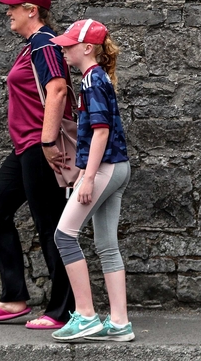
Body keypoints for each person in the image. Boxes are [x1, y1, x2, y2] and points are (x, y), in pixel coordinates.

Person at [0, 0, 75, 330]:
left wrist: (49, 143)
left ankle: (63, 309)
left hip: (40, 147)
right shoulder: (29, 47)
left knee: (52, 226)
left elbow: (58, 89)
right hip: (24, 148)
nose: (9, 12)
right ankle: (14, 297)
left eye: (14, 7)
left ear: (31, 11)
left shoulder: (45, 43)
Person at [48, 19, 134, 342]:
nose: (64, 49)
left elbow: (100, 132)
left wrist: (88, 179)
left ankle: (85, 315)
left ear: (87, 48)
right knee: (107, 246)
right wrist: (85, 174)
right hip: (116, 167)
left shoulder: (90, 81)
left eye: (69, 45)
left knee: (64, 236)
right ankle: (120, 322)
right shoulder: (96, 78)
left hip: (106, 168)